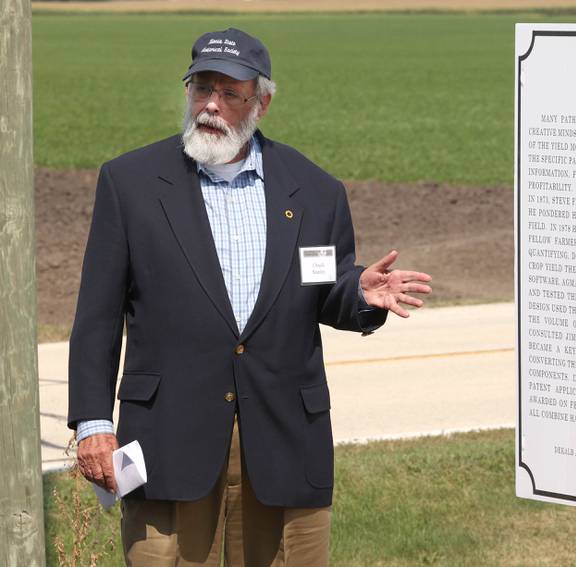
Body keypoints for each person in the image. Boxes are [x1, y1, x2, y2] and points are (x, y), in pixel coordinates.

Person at [68, 27, 432, 566]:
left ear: (261, 101)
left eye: (230, 92)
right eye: (200, 88)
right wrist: (93, 423)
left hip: (282, 435)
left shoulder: (313, 190)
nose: (210, 104)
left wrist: (358, 292)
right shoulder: (131, 183)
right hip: (170, 434)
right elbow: (97, 315)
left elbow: (323, 288)